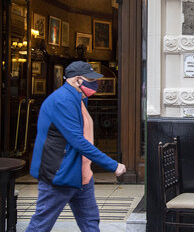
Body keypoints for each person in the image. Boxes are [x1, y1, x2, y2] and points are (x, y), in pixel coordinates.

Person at [26, 61, 126, 232]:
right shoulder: (62, 101)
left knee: (90, 223)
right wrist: (113, 165)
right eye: (90, 79)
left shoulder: (79, 98)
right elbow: (78, 141)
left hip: (81, 175)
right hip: (59, 176)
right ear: (77, 80)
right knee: (41, 225)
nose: (94, 84)